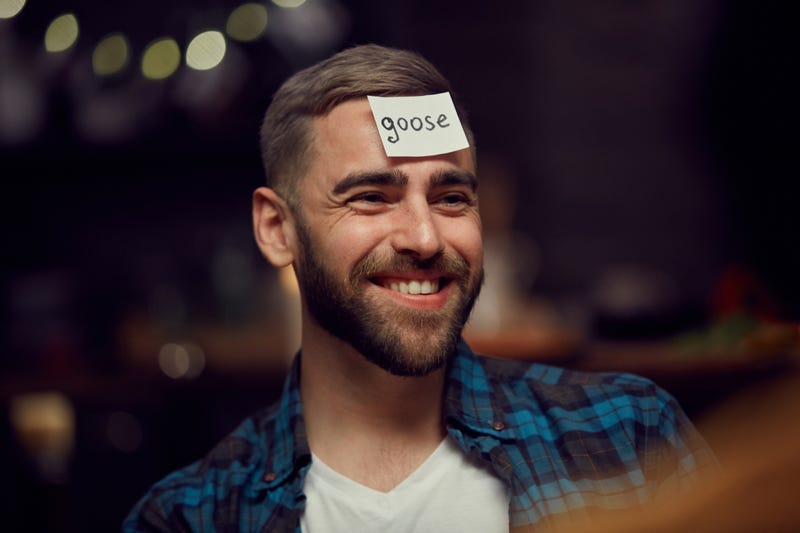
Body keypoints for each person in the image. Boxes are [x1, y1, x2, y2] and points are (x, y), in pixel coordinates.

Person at [123, 44, 715, 532]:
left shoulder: (629, 437)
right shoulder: (190, 518)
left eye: (451, 198)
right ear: (279, 230)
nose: (426, 237)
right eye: (371, 198)